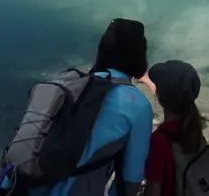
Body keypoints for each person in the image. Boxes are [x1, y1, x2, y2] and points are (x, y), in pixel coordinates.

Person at [35, 18, 153, 196]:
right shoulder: (137, 104)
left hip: (15, 185)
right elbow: (130, 181)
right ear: (139, 55)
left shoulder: (67, 81)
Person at [138, 60, 205, 196]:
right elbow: (166, 96)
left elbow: (153, 191)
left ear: (161, 99)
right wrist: (146, 80)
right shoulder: (194, 129)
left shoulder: (159, 141)